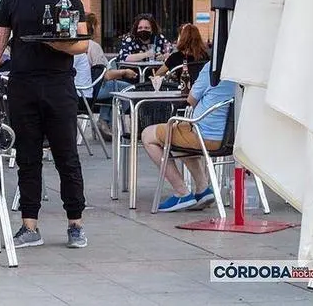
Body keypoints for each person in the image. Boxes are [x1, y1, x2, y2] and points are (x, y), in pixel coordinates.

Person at [0, 0, 90, 249]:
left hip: (58, 84)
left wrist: (56, 44)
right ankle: (29, 225)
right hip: (22, 85)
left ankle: (75, 223)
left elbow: (82, 44)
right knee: (26, 157)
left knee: (67, 155)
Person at [141, 61, 235, 212]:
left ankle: (181, 192)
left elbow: (191, 99)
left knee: (148, 135)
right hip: (231, 138)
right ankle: (202, 188)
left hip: (203, 135)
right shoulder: (245, 70)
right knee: (178, 133)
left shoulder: (212, 67)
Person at [84, 13, 136, 141]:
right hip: (92, 90)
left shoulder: (74, 46)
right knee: (127, 89)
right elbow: (105, 75)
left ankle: (104, 121)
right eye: (97, 25)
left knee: (113, 89)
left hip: (77, 90)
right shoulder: (92, 46)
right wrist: (124, 72)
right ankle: (114, 125)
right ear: (92, 26)